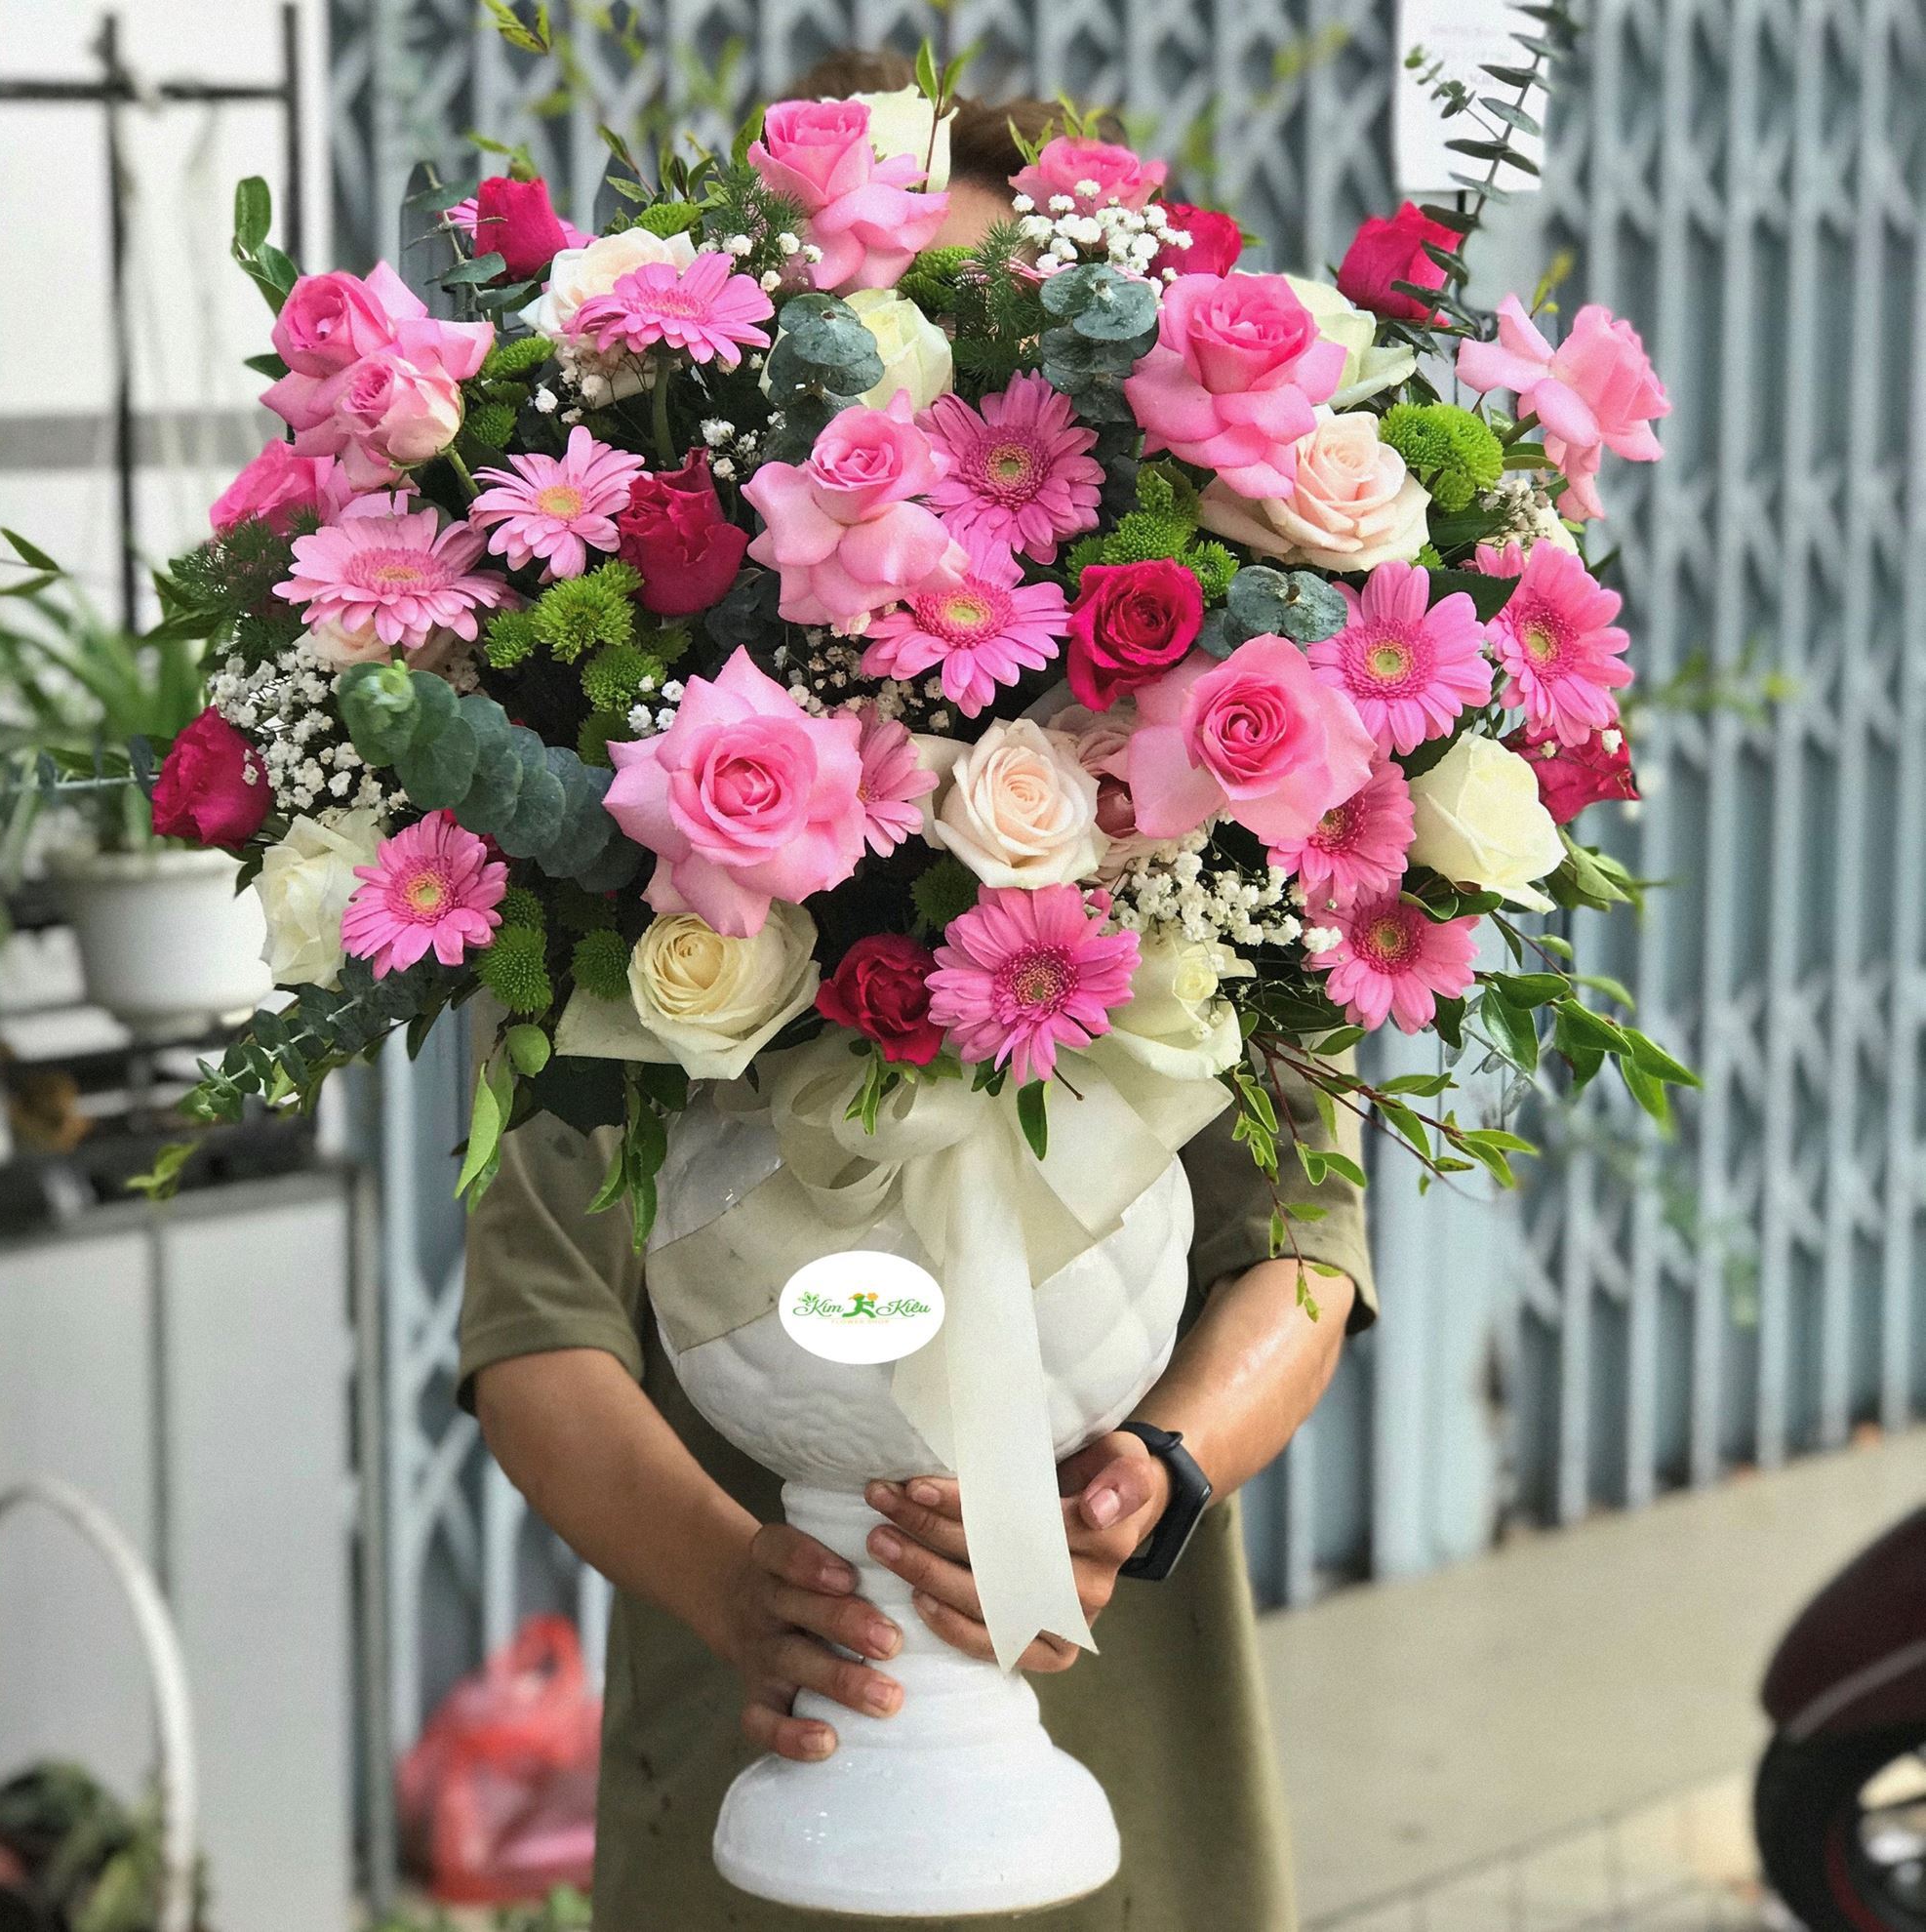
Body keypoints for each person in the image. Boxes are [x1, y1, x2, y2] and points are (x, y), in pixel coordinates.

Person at [461, 57, 1379, 1932]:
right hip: (770, 1727)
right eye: (865, 354)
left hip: (1115, 1701)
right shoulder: (622, 846)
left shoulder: (1212, 810)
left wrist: (1152, 1477)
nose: (928, 432)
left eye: (974, 351)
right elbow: (534, 1322)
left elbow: (1301, 1237)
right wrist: (743, 1589)